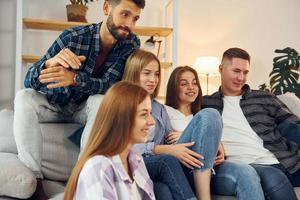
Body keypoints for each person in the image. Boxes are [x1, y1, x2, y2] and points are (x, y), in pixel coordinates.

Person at [13, 0, 145, 199]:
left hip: (85, 110)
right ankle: (35, 181)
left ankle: (84, 176)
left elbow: (111, 86)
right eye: (124, 14)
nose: (130, 24)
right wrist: (48, 65)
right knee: (23, 97)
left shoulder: (131, 44)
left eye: (135, 18)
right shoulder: (73, 38)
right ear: (106, 8)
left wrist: (75, 79)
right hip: (55, 104)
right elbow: (28, 80)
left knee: (101, 100)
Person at [123, 49, 223, 200]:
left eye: (156, 74)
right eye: (147, 73)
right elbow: (117, 144)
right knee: (166, 160)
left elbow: (170, 140)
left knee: (162, 190)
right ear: (134, 73)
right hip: (134, 160)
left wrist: (213, 141)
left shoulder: (158, 108)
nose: (153, 79)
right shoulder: (120, 103)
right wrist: (161, 149)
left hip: (160, 165)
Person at [202, 47, 300, 200]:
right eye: (236, 71)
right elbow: (183, 119)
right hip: (247, 166)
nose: (241, 77)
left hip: (284, 160)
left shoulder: (263, 97)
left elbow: (292, 123)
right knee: (273, 176)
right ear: (221, 69)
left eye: (245, 72)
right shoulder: (206, 104)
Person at [165, 66, 265, 200]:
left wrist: (219, 145)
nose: (191, 87)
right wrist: (186, 135)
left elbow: (211, 136)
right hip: (184, 168)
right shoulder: (164, 111)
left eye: (194, 83)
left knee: (247, 172)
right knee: (210, 114)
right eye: (184, 84)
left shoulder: (200, 114)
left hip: (212, 169)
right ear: (173, 88)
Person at [64, 81, 155, 200]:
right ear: (122, 118)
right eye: (144, 114)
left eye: (150, 113)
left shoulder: (135, 158)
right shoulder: (98, 168)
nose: (152, 121)